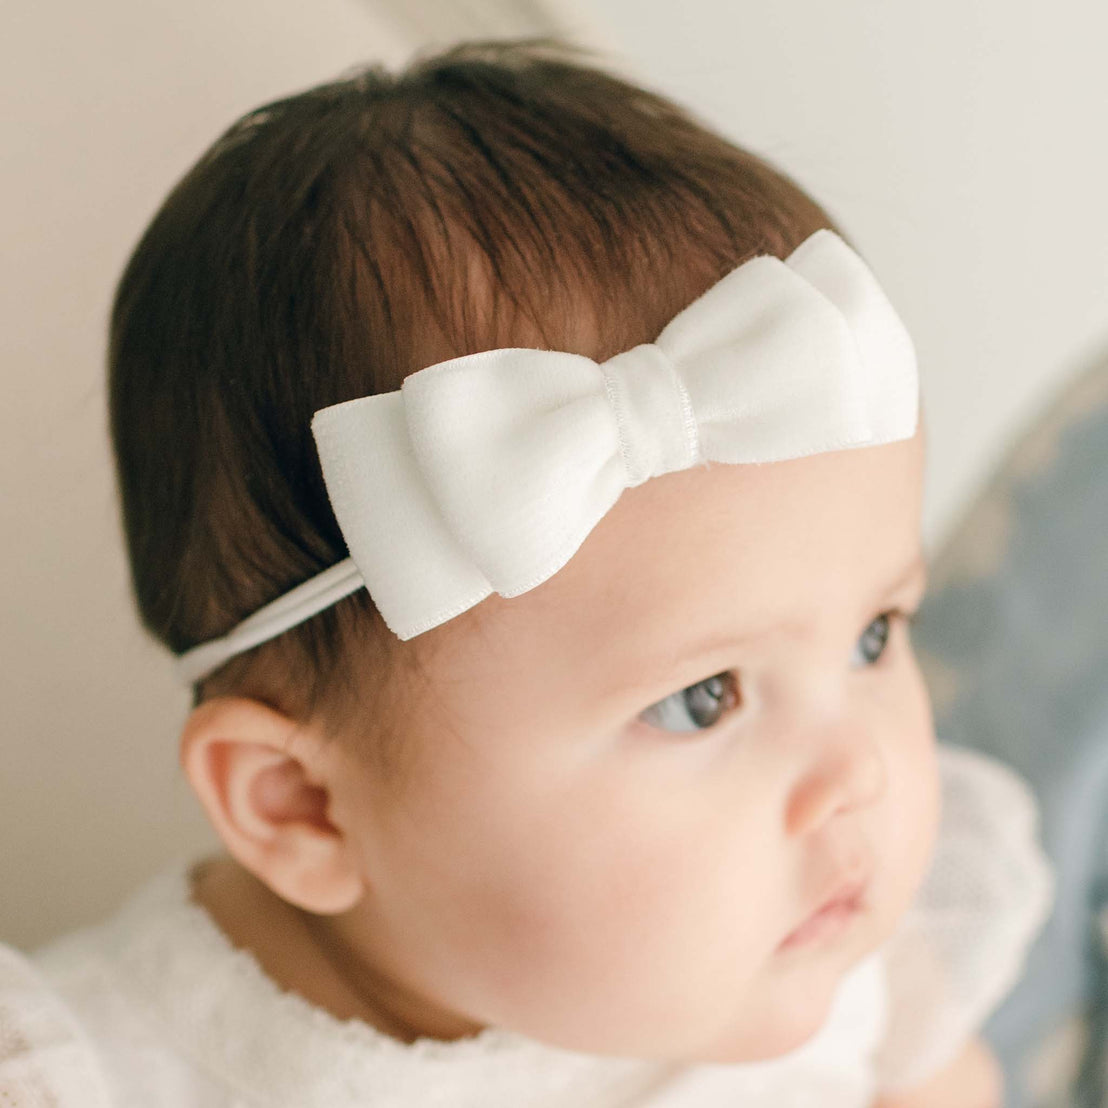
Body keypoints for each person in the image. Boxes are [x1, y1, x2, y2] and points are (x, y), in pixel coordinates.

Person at [1, 38, 1053, 1107]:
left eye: (875, 633)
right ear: (305, 807)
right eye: (701, 699)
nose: (859, 774)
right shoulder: (94, 1079)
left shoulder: (832, 942)